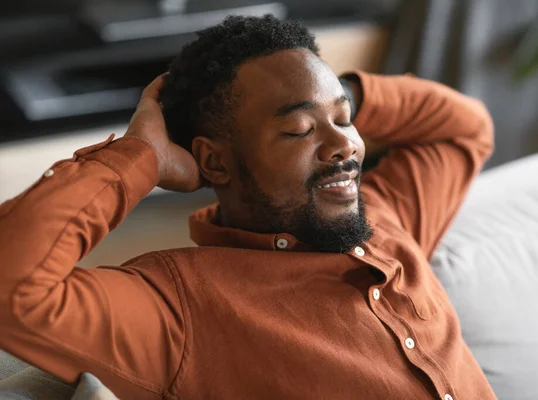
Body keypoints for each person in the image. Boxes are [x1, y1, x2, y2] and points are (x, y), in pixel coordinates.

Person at [0, 14, 496, 400]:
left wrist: (347, 94)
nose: (344, 145)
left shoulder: (386, 217)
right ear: (215, 162)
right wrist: (140, 159)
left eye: (344, 120)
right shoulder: (181, 311)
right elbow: (12, 288)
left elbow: (465, 127)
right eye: (299, 129)